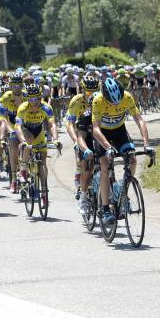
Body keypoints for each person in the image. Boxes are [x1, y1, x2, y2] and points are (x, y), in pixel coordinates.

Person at [91, 77, 153, 226]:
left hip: (120, 132)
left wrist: (146, 144)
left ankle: (122, 191)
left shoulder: (127, 97)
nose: (116, 104)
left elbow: (139, 120)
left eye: (118, 101)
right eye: (112, 102)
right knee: (105, 166)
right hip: (103, 134)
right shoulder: (98, 100)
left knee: (132, 159)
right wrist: (107, 147)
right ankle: (105, 209)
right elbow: (95, 128)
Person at [15, 84, 60, 190]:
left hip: (39, 131)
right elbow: (17, 126)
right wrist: (23, 141)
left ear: (40, 97)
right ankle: (23, 168)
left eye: (37, 98)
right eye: (31, 99)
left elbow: (52, 124)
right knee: (28, 140)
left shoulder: (46, 107)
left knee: (43, 162)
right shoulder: (23, 108)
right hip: (26, 130)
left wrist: (56, 139)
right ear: (27, 98)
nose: (35, 102)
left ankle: (44, 190)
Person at [66, 75, 100, 214]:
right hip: (81, 131)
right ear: (82, 90)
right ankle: (83, 193)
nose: (91, 94)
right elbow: (69, 124)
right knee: (83, 163)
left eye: (94, 91)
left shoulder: (100, 99)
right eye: (88, 92)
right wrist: (75, 141)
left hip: (96, 130)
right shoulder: (76, 100)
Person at [0, 72, 26, 192]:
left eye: (19, 85)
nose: (17, 88)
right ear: (10, 85)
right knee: (14, 147)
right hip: (10, 122)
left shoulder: (26, 96)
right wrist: (10, 130)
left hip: (24, 123)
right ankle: (14, 179)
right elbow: (3, 117)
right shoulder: (6, 97)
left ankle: (26, 169)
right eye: (14, 85)